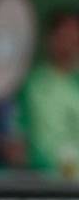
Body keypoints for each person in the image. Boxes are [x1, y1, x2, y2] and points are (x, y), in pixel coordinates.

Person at [15, 10, 79, 179]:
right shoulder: (30, 84)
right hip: (41, 183)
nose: (69, 43)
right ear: (50, 38)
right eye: (63, 36)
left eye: (74, 37)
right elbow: (15, 135)